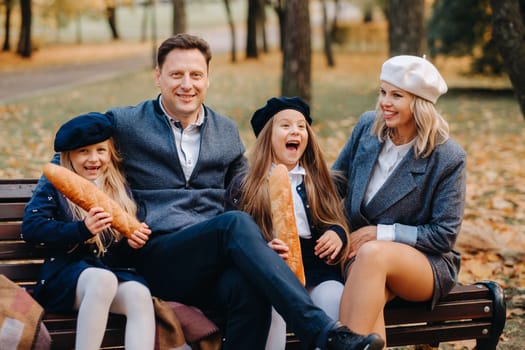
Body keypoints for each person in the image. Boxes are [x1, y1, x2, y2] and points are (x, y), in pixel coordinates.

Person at [53, 33, 385, 350]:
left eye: (196, 74)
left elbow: (249, 191)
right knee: (233, 223)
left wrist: (266, 243)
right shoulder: (126, 123)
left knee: (250, 289)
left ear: (208, 78)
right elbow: (70, 152)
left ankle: (321, 331)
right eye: (176, 74)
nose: (187, 84)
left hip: (212, 261)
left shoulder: (225, 131)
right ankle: (323, 332)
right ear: (158, 77)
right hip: (157, 255)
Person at [332, 55, 467, 346]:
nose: (384, 102)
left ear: (419, 102)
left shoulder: (447, 157)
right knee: (369, 304)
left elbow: (443, 235)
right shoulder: (368, 128)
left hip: (424, 264)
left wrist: (379, 233)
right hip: (357, 258)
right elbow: (335, 184)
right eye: (382, 92)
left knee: (372, 253)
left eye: (396, 95)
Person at [225, 96, 353, 350]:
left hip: (317, 270)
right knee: (272, 308)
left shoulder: (317, 180)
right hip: (273, 270)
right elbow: (235, 236)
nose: (295, 130)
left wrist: (337, 233)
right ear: (266, 137)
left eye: (301, 126)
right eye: (285, 125)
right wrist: (263, 249)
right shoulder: (246, 185)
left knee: (334, 298)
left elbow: (334, 219)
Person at [22, 113, 156, 350]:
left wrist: (131, 241)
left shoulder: (117, 186)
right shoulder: (55, 182)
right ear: (68, 156)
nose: (93, 158)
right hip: (63, 278)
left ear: (110, 152)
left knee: (138, 294)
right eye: (83, 151)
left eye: (100, 150)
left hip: (106, 274)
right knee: (101, 279)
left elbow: (117, 250)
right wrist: (81, 229)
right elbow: (32, 229)